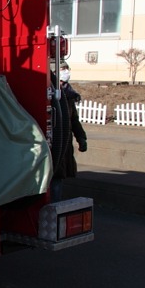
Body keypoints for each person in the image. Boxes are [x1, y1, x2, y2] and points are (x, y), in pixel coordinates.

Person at [49, 61, 87, 201]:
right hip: (52, 146)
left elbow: (73, 120)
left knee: (58, 179)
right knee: (53, 179)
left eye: (66, 68)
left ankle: (55, 204)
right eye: (62, 69)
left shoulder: (68, 95)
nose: (66, 72)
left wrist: (81, 137)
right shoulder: (50, 93)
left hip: (63, 146)